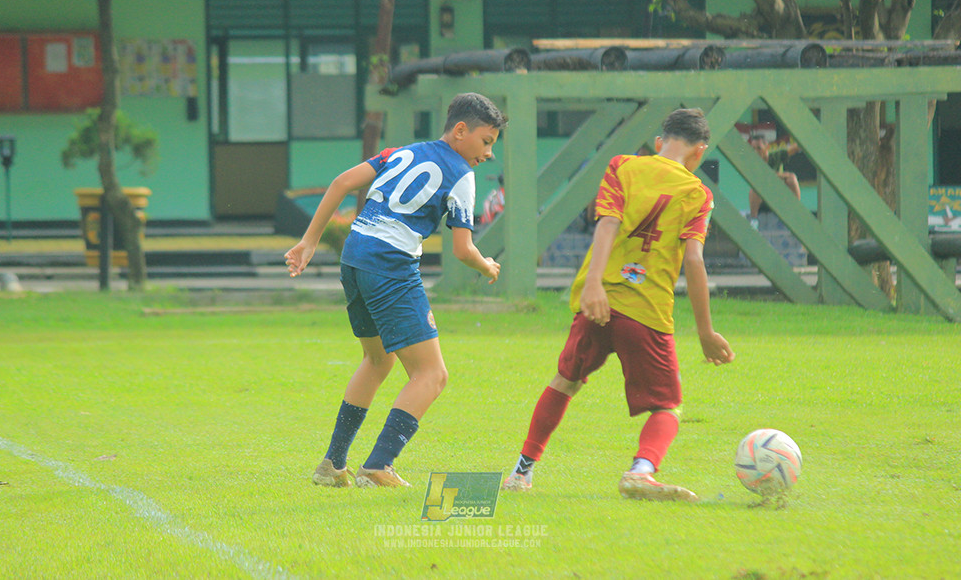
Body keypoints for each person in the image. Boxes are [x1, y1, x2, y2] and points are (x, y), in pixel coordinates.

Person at [501, 107, 734, 502]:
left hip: (599, 302)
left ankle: (521, 473)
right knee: (668, 406)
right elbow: (694, 261)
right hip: (647, 313)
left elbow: (606, 223)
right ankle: (641, 472)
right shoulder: (698, 194)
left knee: (565, 381)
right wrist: (706, 332)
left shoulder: (622, 166)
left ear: (659, 143)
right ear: (699, 153)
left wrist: (594, 285)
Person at [286, 92, 505, 488]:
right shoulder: (461, 173)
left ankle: (333, 464)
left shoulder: (400, 152)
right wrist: (486, 264)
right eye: (486, 142)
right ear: (460, 131)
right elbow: (462, 249)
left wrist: (309, 241)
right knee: (432, 374)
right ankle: (378, 465)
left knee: (377, 360)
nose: (488, 154)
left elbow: (340, 183)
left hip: (354, 254)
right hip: (389, 263)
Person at [748, 134, 801, 227]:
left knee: (792, 178)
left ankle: (798, 211)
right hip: (761, 201)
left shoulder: (775, 156)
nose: (755, 152)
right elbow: (760, 179)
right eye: (753, 149)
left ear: (767, 147)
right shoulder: (753, 163)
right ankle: (754, 221)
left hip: (779, 198)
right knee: (754, 190)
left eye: (759, 148)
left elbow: (794, 148)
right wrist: (780, 176)